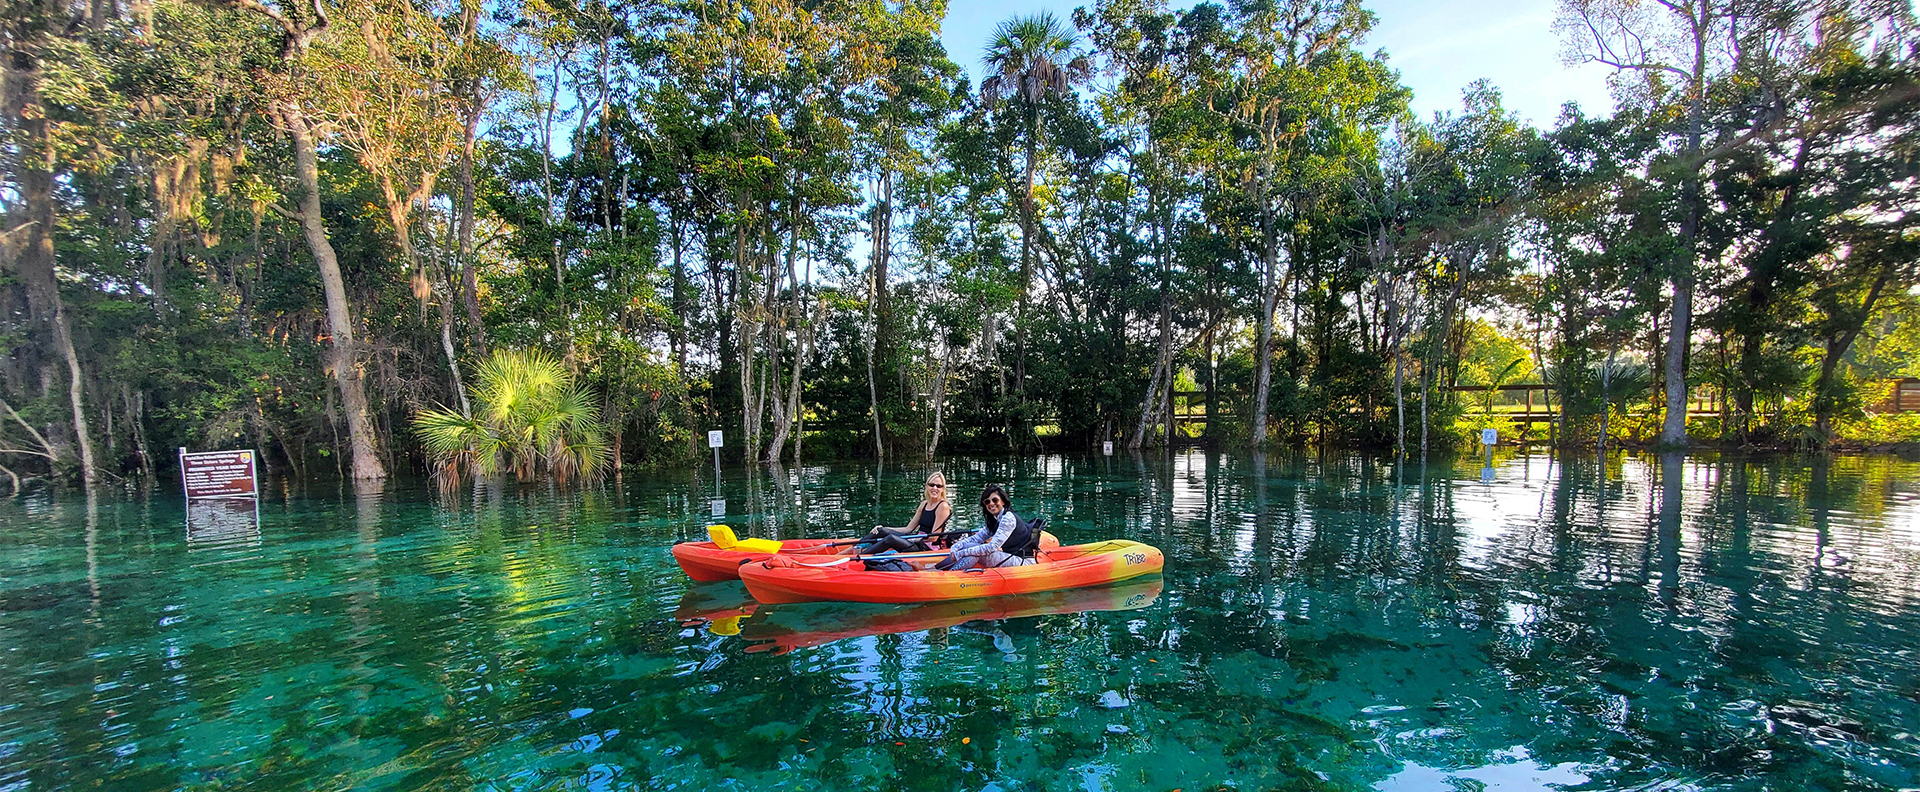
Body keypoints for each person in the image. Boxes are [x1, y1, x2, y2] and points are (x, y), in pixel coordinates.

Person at [839, 472, 955, 556]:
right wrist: (884, 528)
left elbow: (934, 538)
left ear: (943, 489)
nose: (934, 488)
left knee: (891, 539)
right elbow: (908, 529)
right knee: (881, 531)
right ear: (927, 486)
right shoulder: (924, 504)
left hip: (926, 547)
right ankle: (850, 550)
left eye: (938, 486)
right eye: (932, 485)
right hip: (915, 541)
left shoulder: (942, 506)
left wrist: (912, 540)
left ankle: (859, 557)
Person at [937, 484, 1038, 571]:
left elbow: (991, 547)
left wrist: (961, 553)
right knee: (971, 545)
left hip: (1022, 561)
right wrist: (955, 547)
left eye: (995, 500)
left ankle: (950, 574)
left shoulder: (1008, 518)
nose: (991, 504)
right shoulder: (995, 519)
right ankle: (938, 568)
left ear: (1003, 501)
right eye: (987, 502)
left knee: (975, 553)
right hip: (1010, 556)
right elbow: (977, 538)